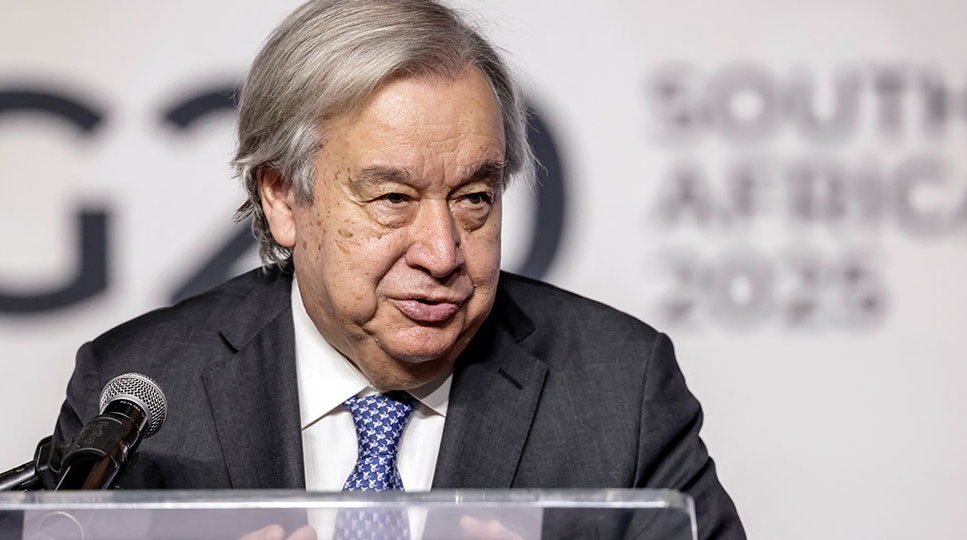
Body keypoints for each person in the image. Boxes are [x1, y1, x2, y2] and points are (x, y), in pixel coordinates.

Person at [48, 1, 747, 539]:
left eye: (474, 198)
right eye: (393, 199)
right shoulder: (137, 399)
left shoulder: (619, 391)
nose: (442, 254)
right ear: (283, 198)